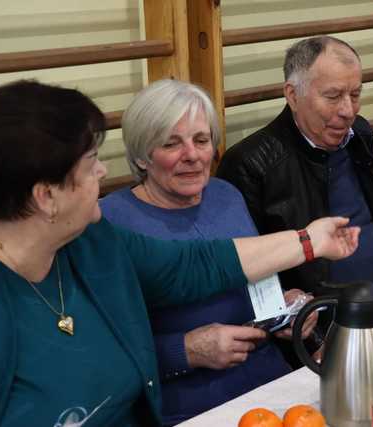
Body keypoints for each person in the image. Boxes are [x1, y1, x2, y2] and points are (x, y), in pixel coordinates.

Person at [0, 80, 359, 427]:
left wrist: (309, 241)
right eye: (90, 164)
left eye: (201, 139)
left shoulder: (92, 241)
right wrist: (185, 351)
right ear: (46, 196)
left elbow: (195, 265)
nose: (103, 172)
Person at [100, 80, 317, 425]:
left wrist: (287, 306)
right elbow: (104, 355)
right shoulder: (111, 221)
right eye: (171, 143)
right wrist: (184, 351)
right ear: (141, 155)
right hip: (189, 404)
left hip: (272, 384)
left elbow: (252, 283)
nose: (192, 155)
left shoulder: (225, 195)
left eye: (201, 140)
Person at [217, 36, 373, 326]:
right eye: (333, 96)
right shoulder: (250, 163)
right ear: (293, 95)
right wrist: (289, 310)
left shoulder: (360, 133)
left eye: (355, 94)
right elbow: (245, 269)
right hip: (320, 328)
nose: (348, 110)